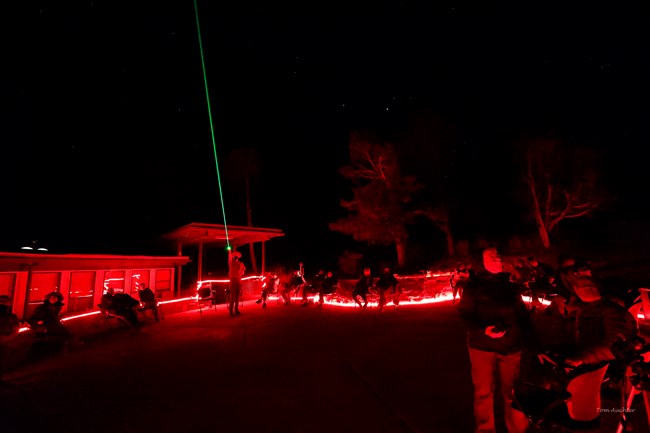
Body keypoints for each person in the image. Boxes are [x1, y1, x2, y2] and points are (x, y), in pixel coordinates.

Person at [543, 260, 638, 426]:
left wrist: (583, 358)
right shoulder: (581, 309)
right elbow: (574, 335)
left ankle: (587, 423)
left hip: (598, 366)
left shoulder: (611, 311)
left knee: (584, 408)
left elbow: (615, 343)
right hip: (581, 363)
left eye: (586, 286)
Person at [457, 247, 533, 433]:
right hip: (482, 347)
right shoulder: (473, 287)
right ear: (482, 261)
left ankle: (517, 428)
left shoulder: (510, 285)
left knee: (513, 392)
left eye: (498, 255)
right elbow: (465, 314)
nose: (497, 258)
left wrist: (535, 344)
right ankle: (485, 429)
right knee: (484, 392)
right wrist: (484, 329)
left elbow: (522, 316)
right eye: (492, 256)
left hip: (510, 346)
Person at [228, 250, 246, 316]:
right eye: (234, 256)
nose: (235, 257)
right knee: (232, 296)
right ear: (233, 257)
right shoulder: (231, 263)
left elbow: (243, 271)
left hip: (238, 280)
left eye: (236, 256)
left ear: (238, 257)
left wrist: (241, 272)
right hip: (233, 280)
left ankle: (236, 309)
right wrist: (229, 251)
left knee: (237, 296)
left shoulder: (241, 263)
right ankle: (231, 311)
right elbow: (229, 258)